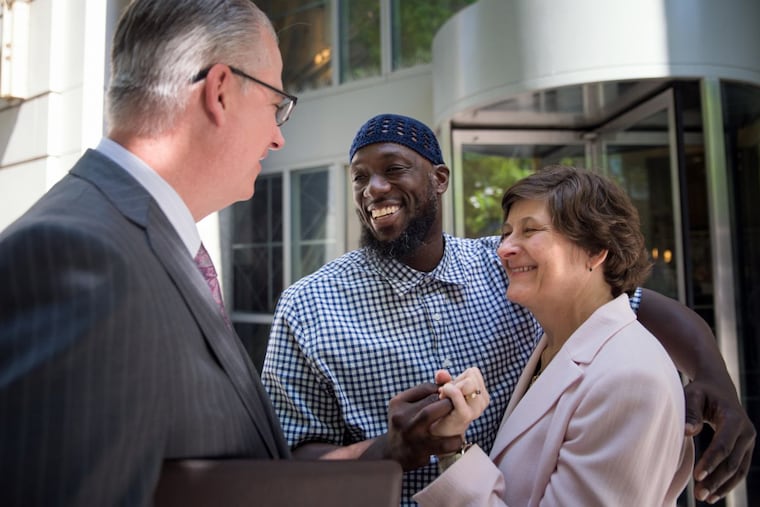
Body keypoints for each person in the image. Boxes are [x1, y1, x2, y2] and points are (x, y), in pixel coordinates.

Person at [262, 113, 755, 506]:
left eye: (392, 169)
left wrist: (718, 383)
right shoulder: (308, 305)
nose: (373, 189)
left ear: (439, 178)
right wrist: (386, 453)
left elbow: (635, 305)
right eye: (359, 178)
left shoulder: (508, 270)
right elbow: (293, 459)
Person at [0, 1, 296, 505]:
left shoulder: (142, 246)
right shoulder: (81, 261)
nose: (278, 136)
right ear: (220, 90)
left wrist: (386, 451)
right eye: (276, 105)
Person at [413, 165, 694, 506]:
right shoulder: (551, 347)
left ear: (596, 250)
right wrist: (451, 441)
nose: (504, 249)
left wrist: (454, 452)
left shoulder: (631, 379)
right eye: (507, 233)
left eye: (530, 231)